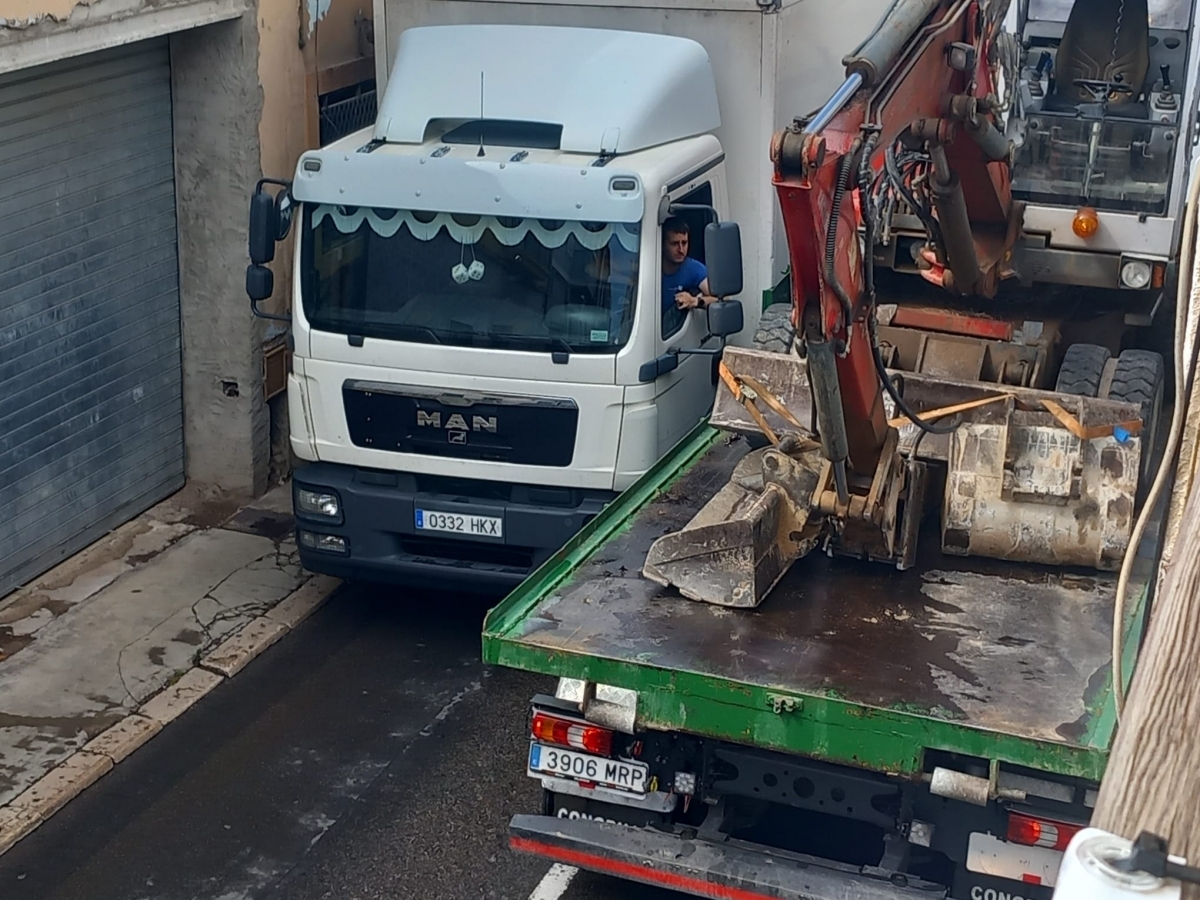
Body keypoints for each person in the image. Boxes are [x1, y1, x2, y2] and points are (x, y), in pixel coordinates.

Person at [661, 219, 717, 325]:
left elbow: (722, 299)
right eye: (675, 244)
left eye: (684, 243)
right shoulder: (647, 265)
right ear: (663, 245)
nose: (681, 249)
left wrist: (695, 301)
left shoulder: (693, 269)